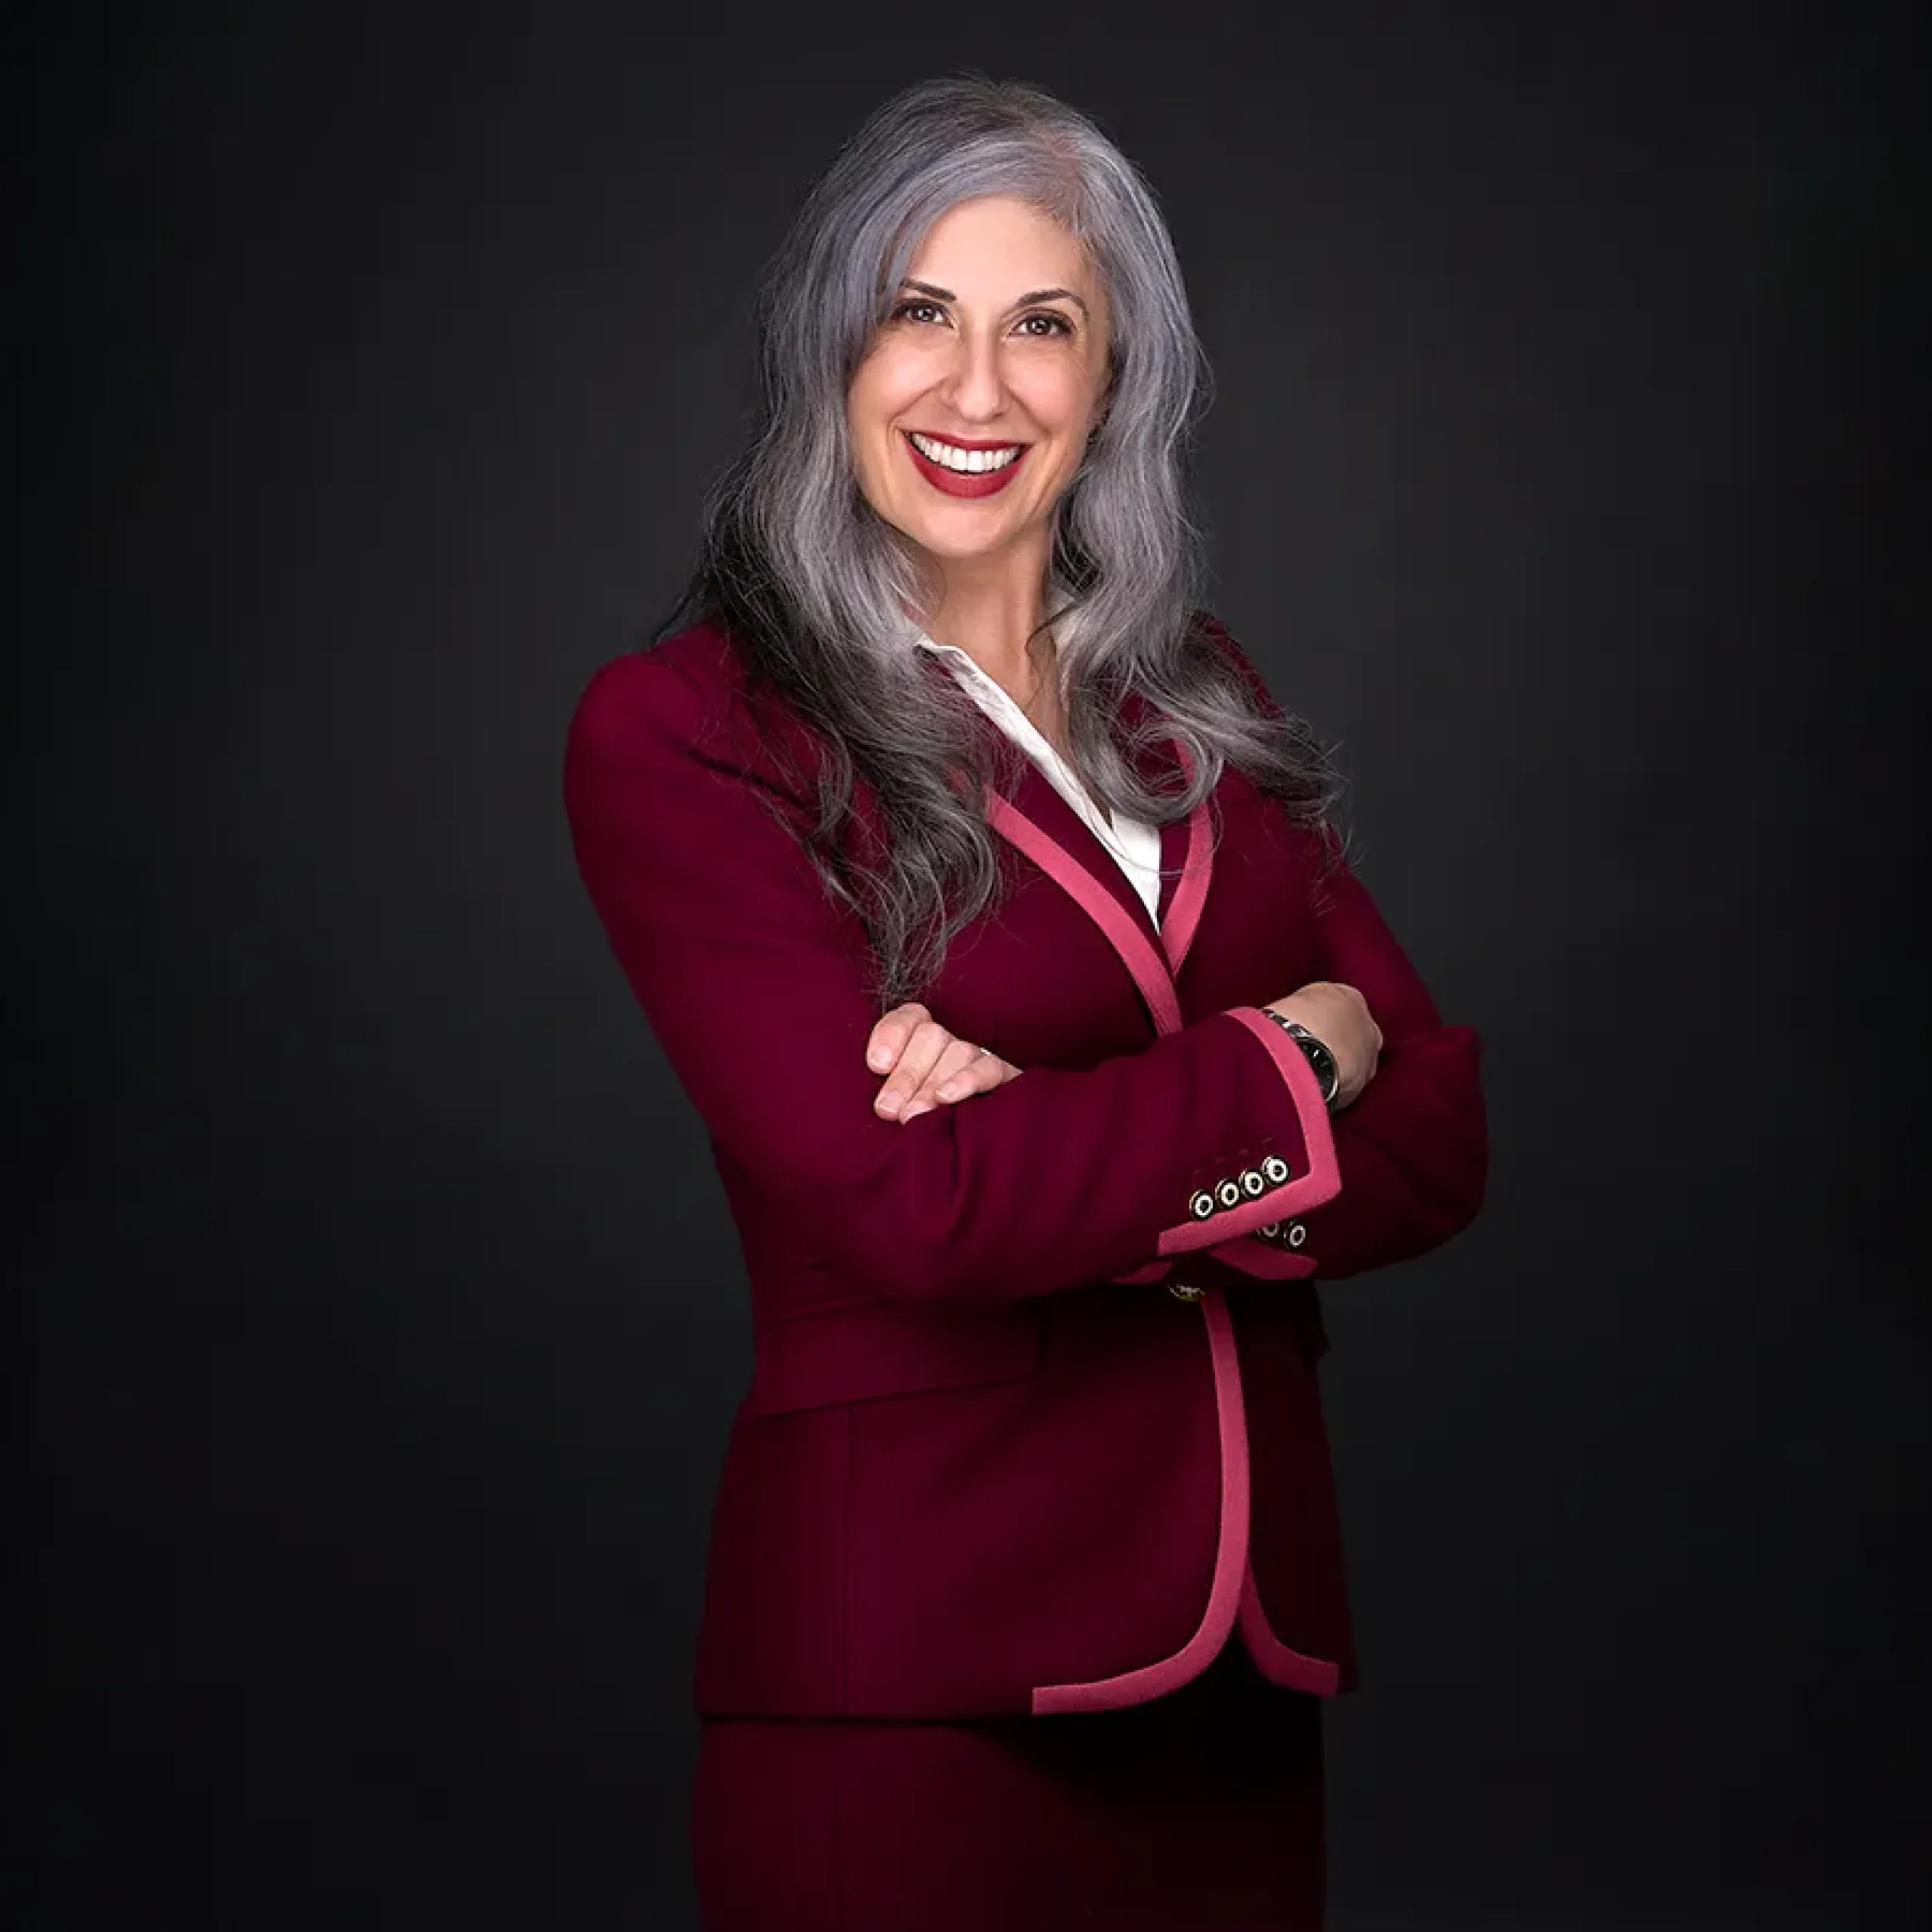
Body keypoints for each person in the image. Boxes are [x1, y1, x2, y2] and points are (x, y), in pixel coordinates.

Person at [564, 72, 1487, 1932]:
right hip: (913, 1685)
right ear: (831, 345)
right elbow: (915, 1206)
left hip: (1237, 1680)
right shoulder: (689, 730)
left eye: (1040, 326)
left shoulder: (1194, 695)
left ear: (1115, 375)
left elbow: (1443, 1138)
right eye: (920, 313)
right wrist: (1291, 1050)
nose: (975, 391)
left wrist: (1069, 1136)